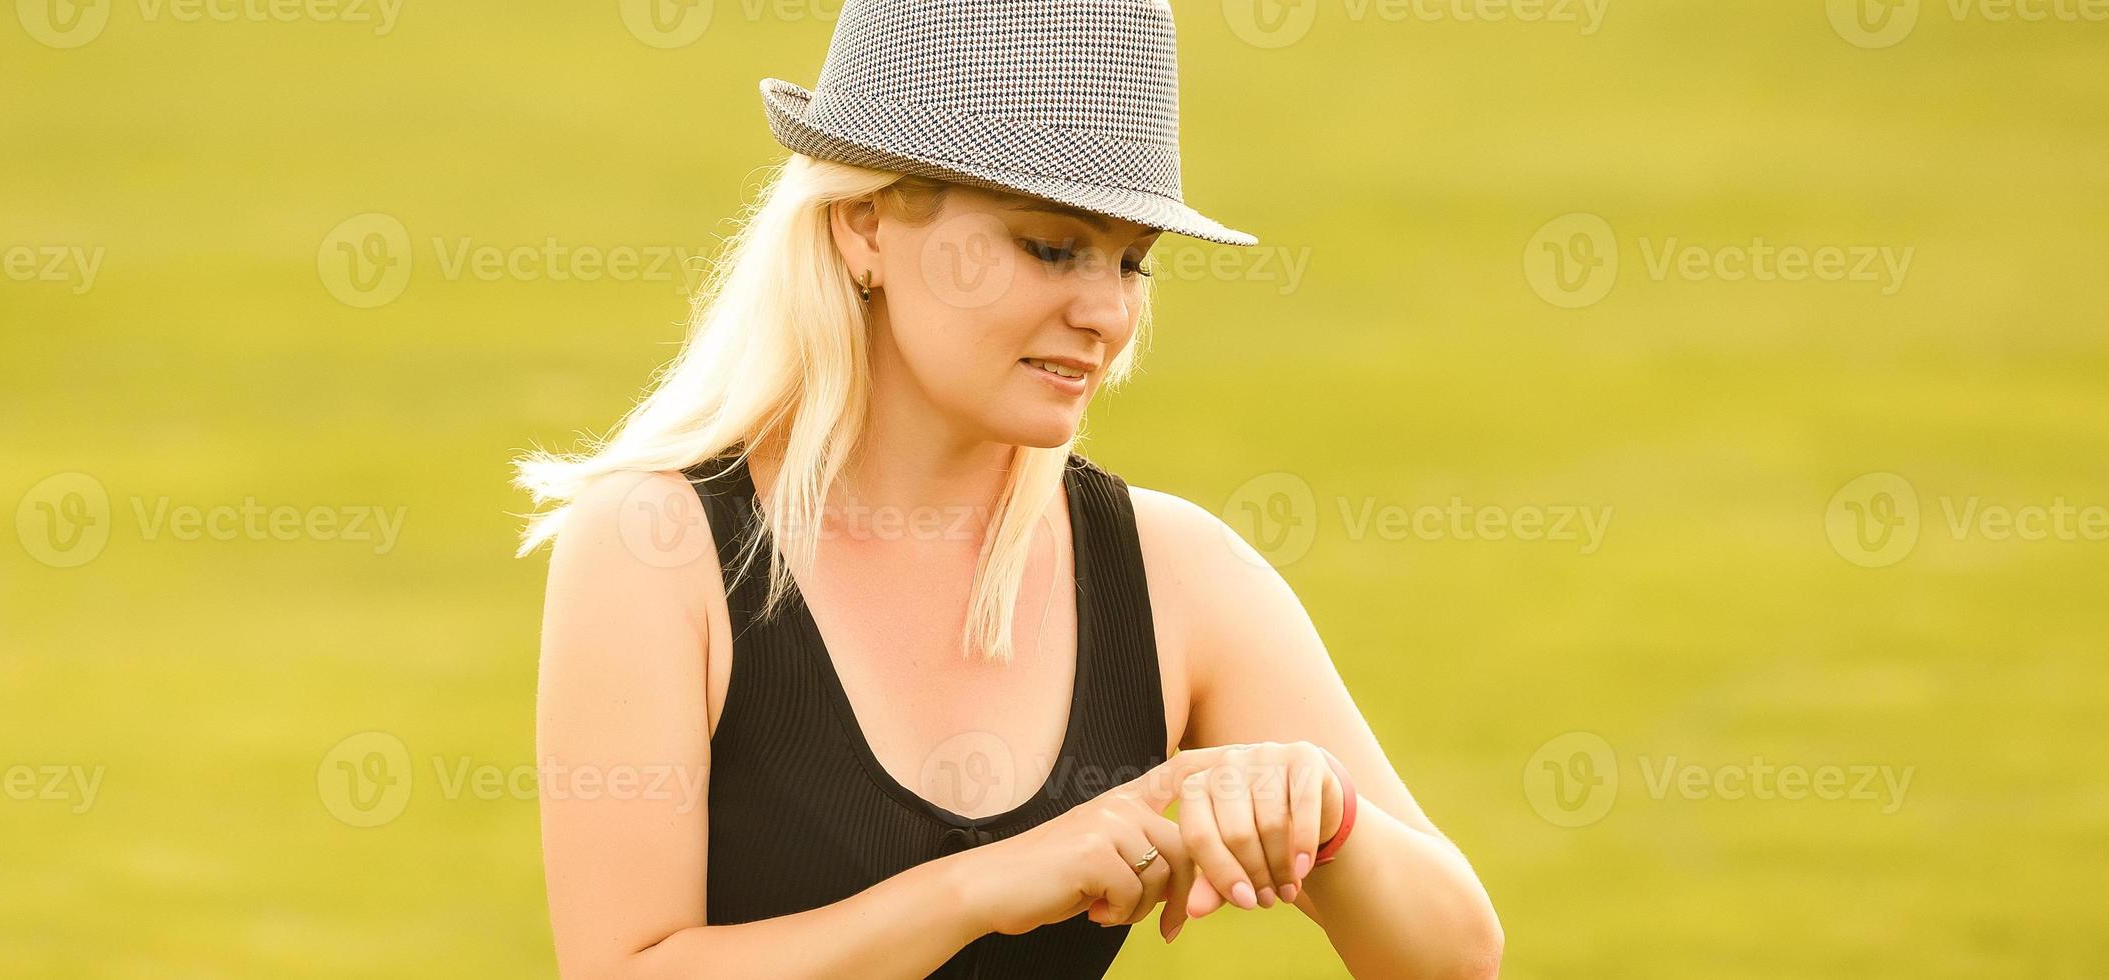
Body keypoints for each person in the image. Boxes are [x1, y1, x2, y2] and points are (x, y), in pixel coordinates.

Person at [518, 1, 1503, 976]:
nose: (1108, 311)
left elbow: (1456, 955)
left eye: (1132, 261)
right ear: (864, 227)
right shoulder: (655, 545)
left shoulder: (1173, 570)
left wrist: (1326, 817)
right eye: (1050, 244)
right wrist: (976, 888)